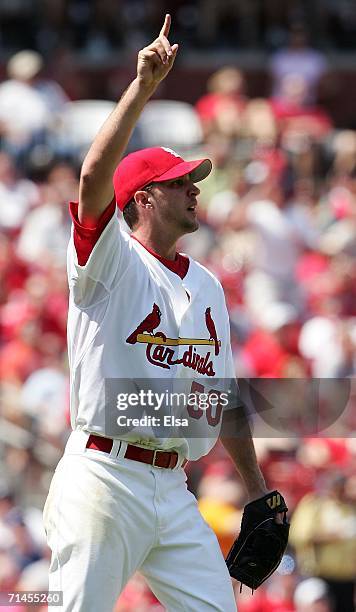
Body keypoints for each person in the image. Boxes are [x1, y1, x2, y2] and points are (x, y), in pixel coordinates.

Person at [43, 14, 270, 612]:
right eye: (179, 182)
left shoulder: (208, 286)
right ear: (142, 197)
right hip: (103, 476)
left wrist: (257, 492)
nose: (194, 188)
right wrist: (143, 86)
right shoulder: (109, 259)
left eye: (193, 179)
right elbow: (94, 176)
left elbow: (220, 396)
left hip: (173, 486)